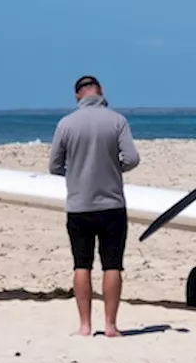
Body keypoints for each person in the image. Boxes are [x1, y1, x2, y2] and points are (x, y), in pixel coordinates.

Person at [49, 75, 141, 337]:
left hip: (79, 205)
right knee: (112, 265)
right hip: (111, 203)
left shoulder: (66, 124)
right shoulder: (116, 120)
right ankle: (111, 325)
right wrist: (114, 168)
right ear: (100, 92)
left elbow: (54, 165)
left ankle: (85, 325)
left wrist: (76, 173)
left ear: (78, 96)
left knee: (82, 264)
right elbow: (132, 158)